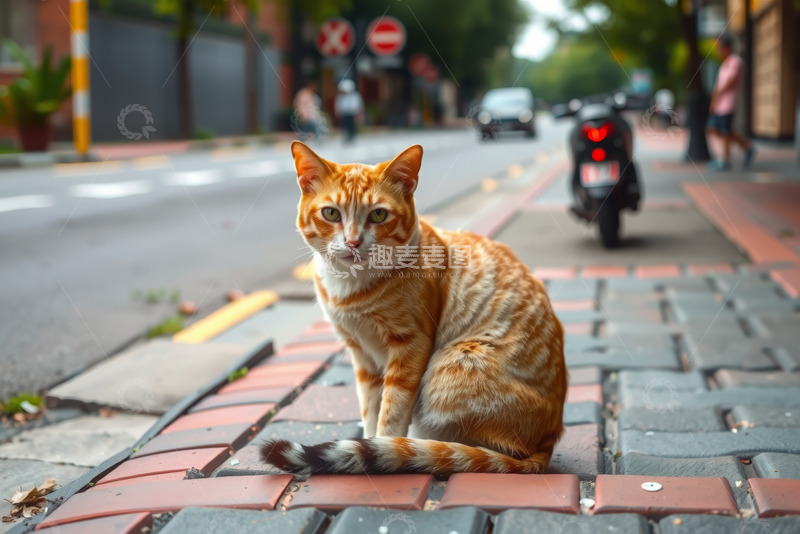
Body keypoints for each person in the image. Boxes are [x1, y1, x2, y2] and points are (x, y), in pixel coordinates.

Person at [706, 34, 755, 170]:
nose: (718, 51)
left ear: (727, 48)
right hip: (720, 104)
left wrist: (717, 93)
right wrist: (714, 100)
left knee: (725, 131)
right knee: (716, 129)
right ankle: (746, 146)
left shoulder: (735, 61)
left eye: (720, 48)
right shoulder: (724, 64)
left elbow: (730, 81)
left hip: (728, 103)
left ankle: (725, 160)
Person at [335, 79, 363, 143]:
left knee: (352, 126)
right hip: (344, 114)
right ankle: (346, 138)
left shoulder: (355, 95)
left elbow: (358, 106)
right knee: (345, 126)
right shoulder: (340, 96)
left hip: (352, 114)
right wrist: (338, 112)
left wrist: (359, 115)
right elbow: (338, 105)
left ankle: (352, 138)